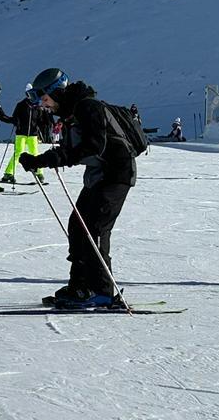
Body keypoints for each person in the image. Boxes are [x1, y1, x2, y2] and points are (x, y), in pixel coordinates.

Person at [18, 68, 137, 309]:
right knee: (78, 225)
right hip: (99, 176)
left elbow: (93, 146)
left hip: (116, 175)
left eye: (45, 99)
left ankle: (102, 291)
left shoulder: (88, 107)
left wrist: (49, 159)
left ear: (57, 92)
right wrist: (42, 160)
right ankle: (80, 286)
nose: (44, 106)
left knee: (95, 228)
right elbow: (75, 150)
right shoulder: (74, 111)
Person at [0, 83, 47, 183]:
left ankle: (39, 173)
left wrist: (44, 123)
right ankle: (9, 173)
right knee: (18, 153)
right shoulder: (21, 105)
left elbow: (40, 120)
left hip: (33, 134)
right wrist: (16, 122)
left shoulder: (37, 107)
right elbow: (15, 117)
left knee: (35, 153)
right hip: (21, 133)